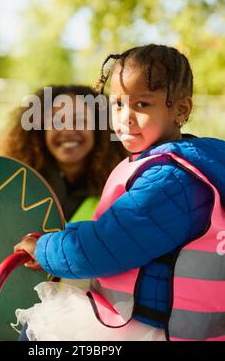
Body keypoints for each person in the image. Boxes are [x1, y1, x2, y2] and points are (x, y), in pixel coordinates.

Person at [13, 44, 225, 342]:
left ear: (181, 109)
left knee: (38, 333)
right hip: (144, 313)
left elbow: (106, 246)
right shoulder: (171, 165)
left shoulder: (170, 181)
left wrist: (45, 249)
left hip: (147, 325)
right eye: (118, 104)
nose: (125, 117)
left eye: (142, 104)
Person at [0, 85, 126, 222]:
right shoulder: (13, 185)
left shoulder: (124, 188)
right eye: (56, 121)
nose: (68, 130)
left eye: (80, 121)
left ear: (100, 130)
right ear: (39, 131)